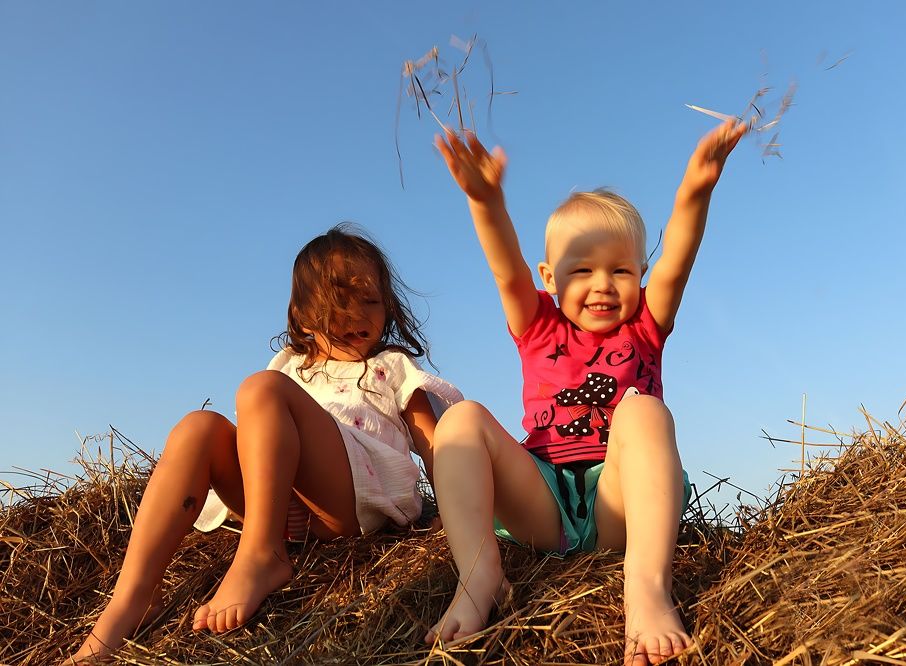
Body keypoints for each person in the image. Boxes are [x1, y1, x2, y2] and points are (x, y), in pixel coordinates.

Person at [65, 224, 461, 664]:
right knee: (198, 426)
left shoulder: (393, 368)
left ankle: (261, 553)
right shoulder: (290, 368)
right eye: (339, 303)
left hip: (347, 501)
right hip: (276, 497)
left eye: (370, 301)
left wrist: (459, 518)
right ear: (303, 315)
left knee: (261, 389)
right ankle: (133, 596)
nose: (356, 315)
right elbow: (257, 437)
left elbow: (435, 448)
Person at [426, 120, 745, 665]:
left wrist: (695, 190)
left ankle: (646, 587)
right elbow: (507, 274)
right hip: (544, 499)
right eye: (582, 270)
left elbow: (678, 264)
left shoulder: (644, 325)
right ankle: (479, 579)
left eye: (621, 269)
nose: (602, 284)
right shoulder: (539, 325)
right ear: (550, 277)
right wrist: (486, 203)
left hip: (618, 501)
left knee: (643, 410)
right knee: (459, 421)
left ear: (640, 274)